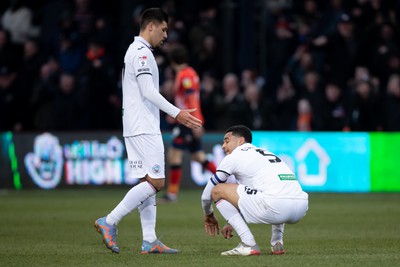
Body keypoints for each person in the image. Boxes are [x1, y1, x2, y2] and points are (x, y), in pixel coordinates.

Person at [94, 7, 202, 254]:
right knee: (156, 181)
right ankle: (109, 221)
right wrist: (178, 113)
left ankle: (150, 240)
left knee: (147, 182)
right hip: (143, 126)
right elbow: (148, 91)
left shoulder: (136, 51)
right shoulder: (142, 52)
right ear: (150, 26)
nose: (166, 35)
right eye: (163, 29)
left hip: (135, 125)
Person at [201, 125, 308, 256]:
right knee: (276, 189)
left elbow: (207, 194)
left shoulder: (233, 157)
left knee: (218, 190)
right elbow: (251, 195)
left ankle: (248, 244)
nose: (223, 146)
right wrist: (234, 222)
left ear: (241, 141)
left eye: (227, 141)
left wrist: (209, 214)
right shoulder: (265, 153)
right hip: (301, 206)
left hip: (276, 206)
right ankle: (277, 242)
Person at [161, 44, 216, 202]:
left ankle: (172, 194)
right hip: (186, 120)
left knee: (174, 155)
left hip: (188, 122)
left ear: (172, 61)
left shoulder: (185, 75)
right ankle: (225, 179)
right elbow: (185, 100)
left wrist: (196, 121)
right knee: (198, 156)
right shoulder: (188, 73)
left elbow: (191, 98)